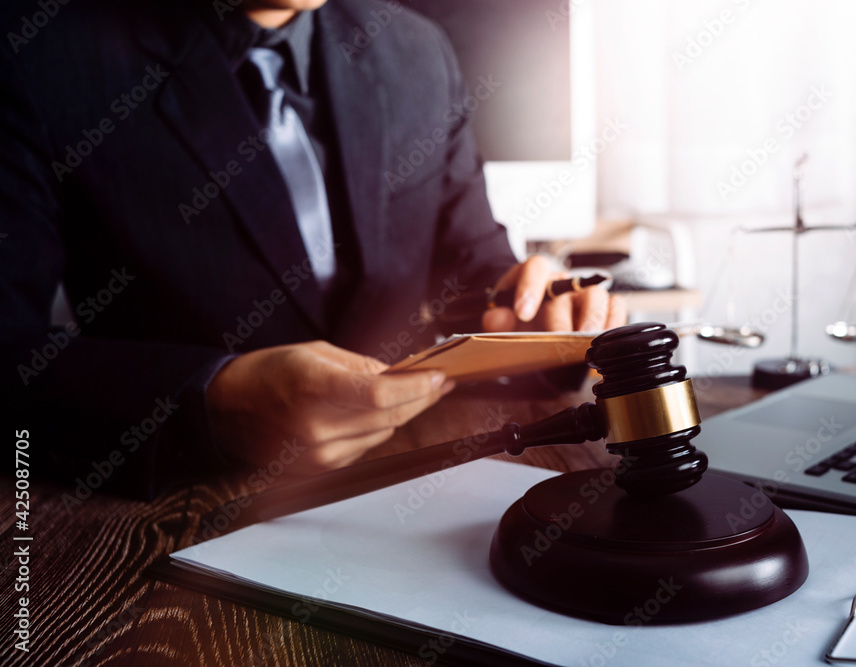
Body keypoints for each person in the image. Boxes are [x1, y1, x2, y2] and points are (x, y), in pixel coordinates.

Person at [0, 0, 625, 498]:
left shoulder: (415, 50)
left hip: (425, 481)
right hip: (183, 506)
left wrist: (539, 322)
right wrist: (212, 402)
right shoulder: (39, 53)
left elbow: (476, 268)